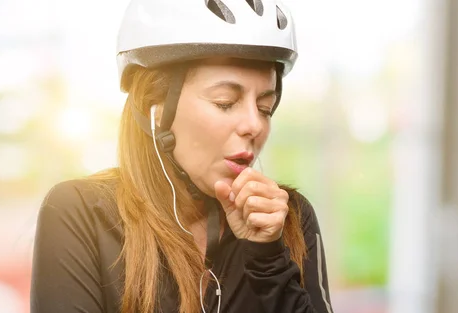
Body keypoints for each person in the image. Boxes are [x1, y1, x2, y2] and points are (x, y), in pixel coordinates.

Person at [30, 0, 334, 312]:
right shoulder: (80, 214)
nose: (255, 125)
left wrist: (268, 260)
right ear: (155, 106)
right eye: (225, 102)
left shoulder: (289, 218)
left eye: (265, 108)